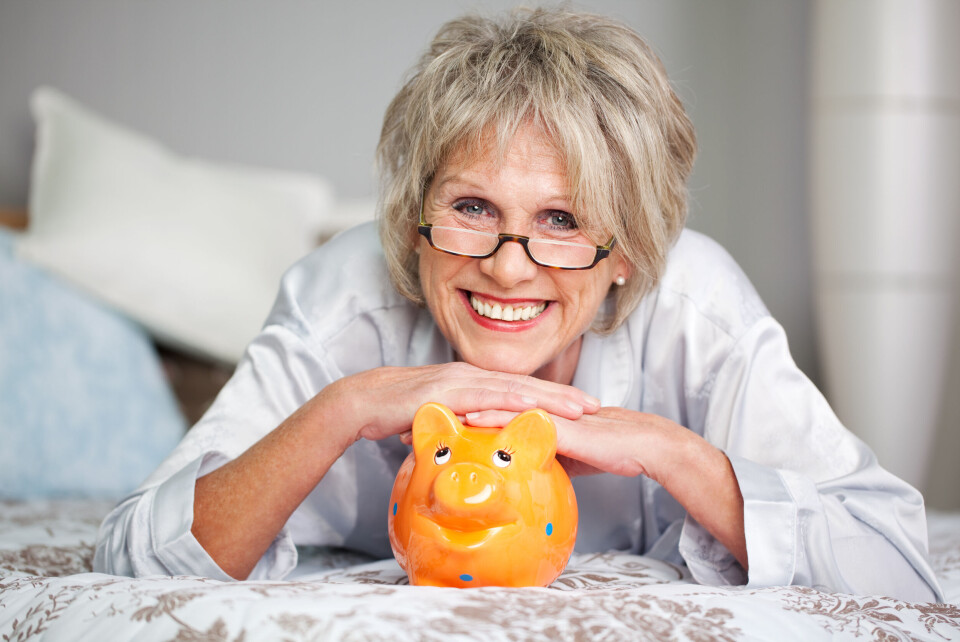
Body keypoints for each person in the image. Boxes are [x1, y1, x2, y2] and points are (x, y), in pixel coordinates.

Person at [94, 7, 941, 601]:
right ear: (413, 219)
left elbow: (902, 567)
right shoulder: (341, 299)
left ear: (630, 250)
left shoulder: (697, 309)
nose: (508, 268)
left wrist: (672, 452)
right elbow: (131, 560)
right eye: (471, 209)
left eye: (563, 221)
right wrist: (343, 410)